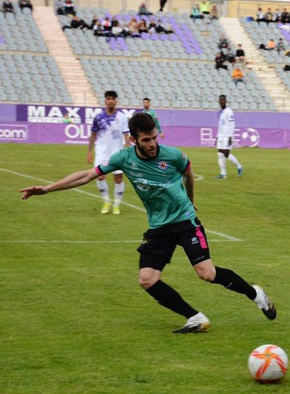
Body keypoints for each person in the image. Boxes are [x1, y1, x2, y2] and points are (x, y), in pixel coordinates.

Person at [21, 113, 276, 334]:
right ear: (133, 139)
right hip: (159, 227)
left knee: (207, 274)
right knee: (147, 279)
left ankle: (256, 295)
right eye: (146, 140)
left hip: (186, 221)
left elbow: (188, 171)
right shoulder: (123, 159)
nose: (152, 144)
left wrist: (190, 199)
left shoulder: (173, 155)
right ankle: (196, 318)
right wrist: (47, 188)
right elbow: (86, 175)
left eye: (154, 137)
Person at [87, 91, 130, 215]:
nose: (111, 101)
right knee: (99, 176)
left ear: (116, 101)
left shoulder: (122, 117)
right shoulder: (98, 117)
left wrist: (128, 151)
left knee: (118, 178)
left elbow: (126, 136)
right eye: (108, 98)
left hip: (117, 152)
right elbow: (93, 135)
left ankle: (116, 205)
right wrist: (89, 151)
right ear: (105, 100)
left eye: (113, 99)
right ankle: (106, 202)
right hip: (101, 152)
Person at [216, 95, 243, 179]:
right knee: (220, 154)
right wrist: (217, 136)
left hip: (227, 136)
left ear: (226, 101)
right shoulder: (221, 112)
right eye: (220, 100)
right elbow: (220, 125)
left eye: (223, 100)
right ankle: (223, 174)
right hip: (221, 136)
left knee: (226, 154)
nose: (221, 102)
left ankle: (239, 166)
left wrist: (230, 136)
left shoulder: (229, 111)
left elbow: (232, 124)